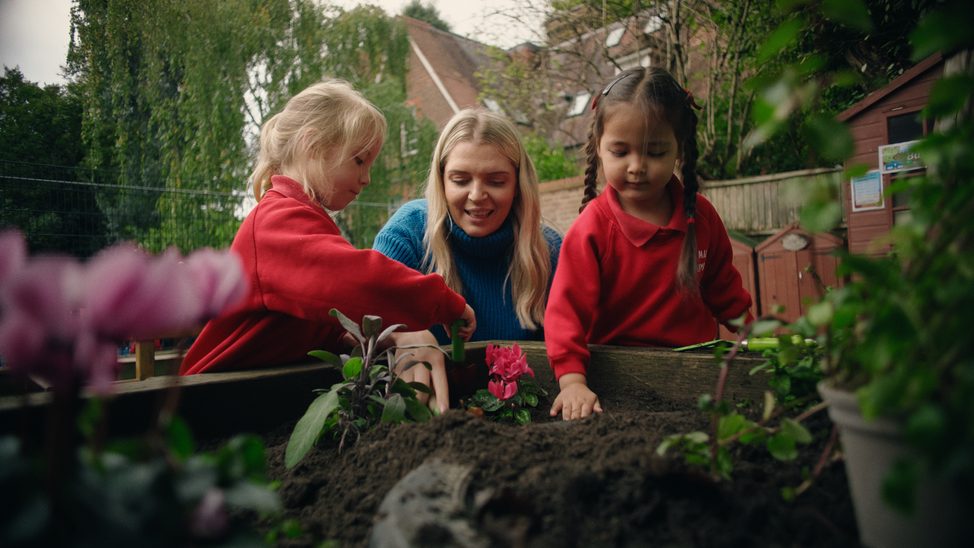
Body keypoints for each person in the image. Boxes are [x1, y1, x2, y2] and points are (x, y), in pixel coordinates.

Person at [180, 80, 475, 375]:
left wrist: (352, 335)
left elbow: (310, 320)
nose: (366, 178)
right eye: (359, 161)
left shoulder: (304, 219)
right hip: (210, 398)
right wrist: (443, 302)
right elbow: (358, 281)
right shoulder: (276, 221)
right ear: (313, 145)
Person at [544, 67, 753, 421]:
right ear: (599, 146)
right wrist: (573, 383)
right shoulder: (591, 229)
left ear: (679, 148)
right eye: (620, 151)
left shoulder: (701, 217)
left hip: (695, 379)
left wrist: (757, 334)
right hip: (614, 386)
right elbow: (566, 315)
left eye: (655, 152)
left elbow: (724, 290)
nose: (637, 166)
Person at [373, 108, 561, 410]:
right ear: (442, 181)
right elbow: (357, 313)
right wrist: (403, 333)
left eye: (496, 182)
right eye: (460, 180)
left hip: (520, 417)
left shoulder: (549, 252)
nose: (477, 195)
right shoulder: (408, 232)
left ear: (518, 185)